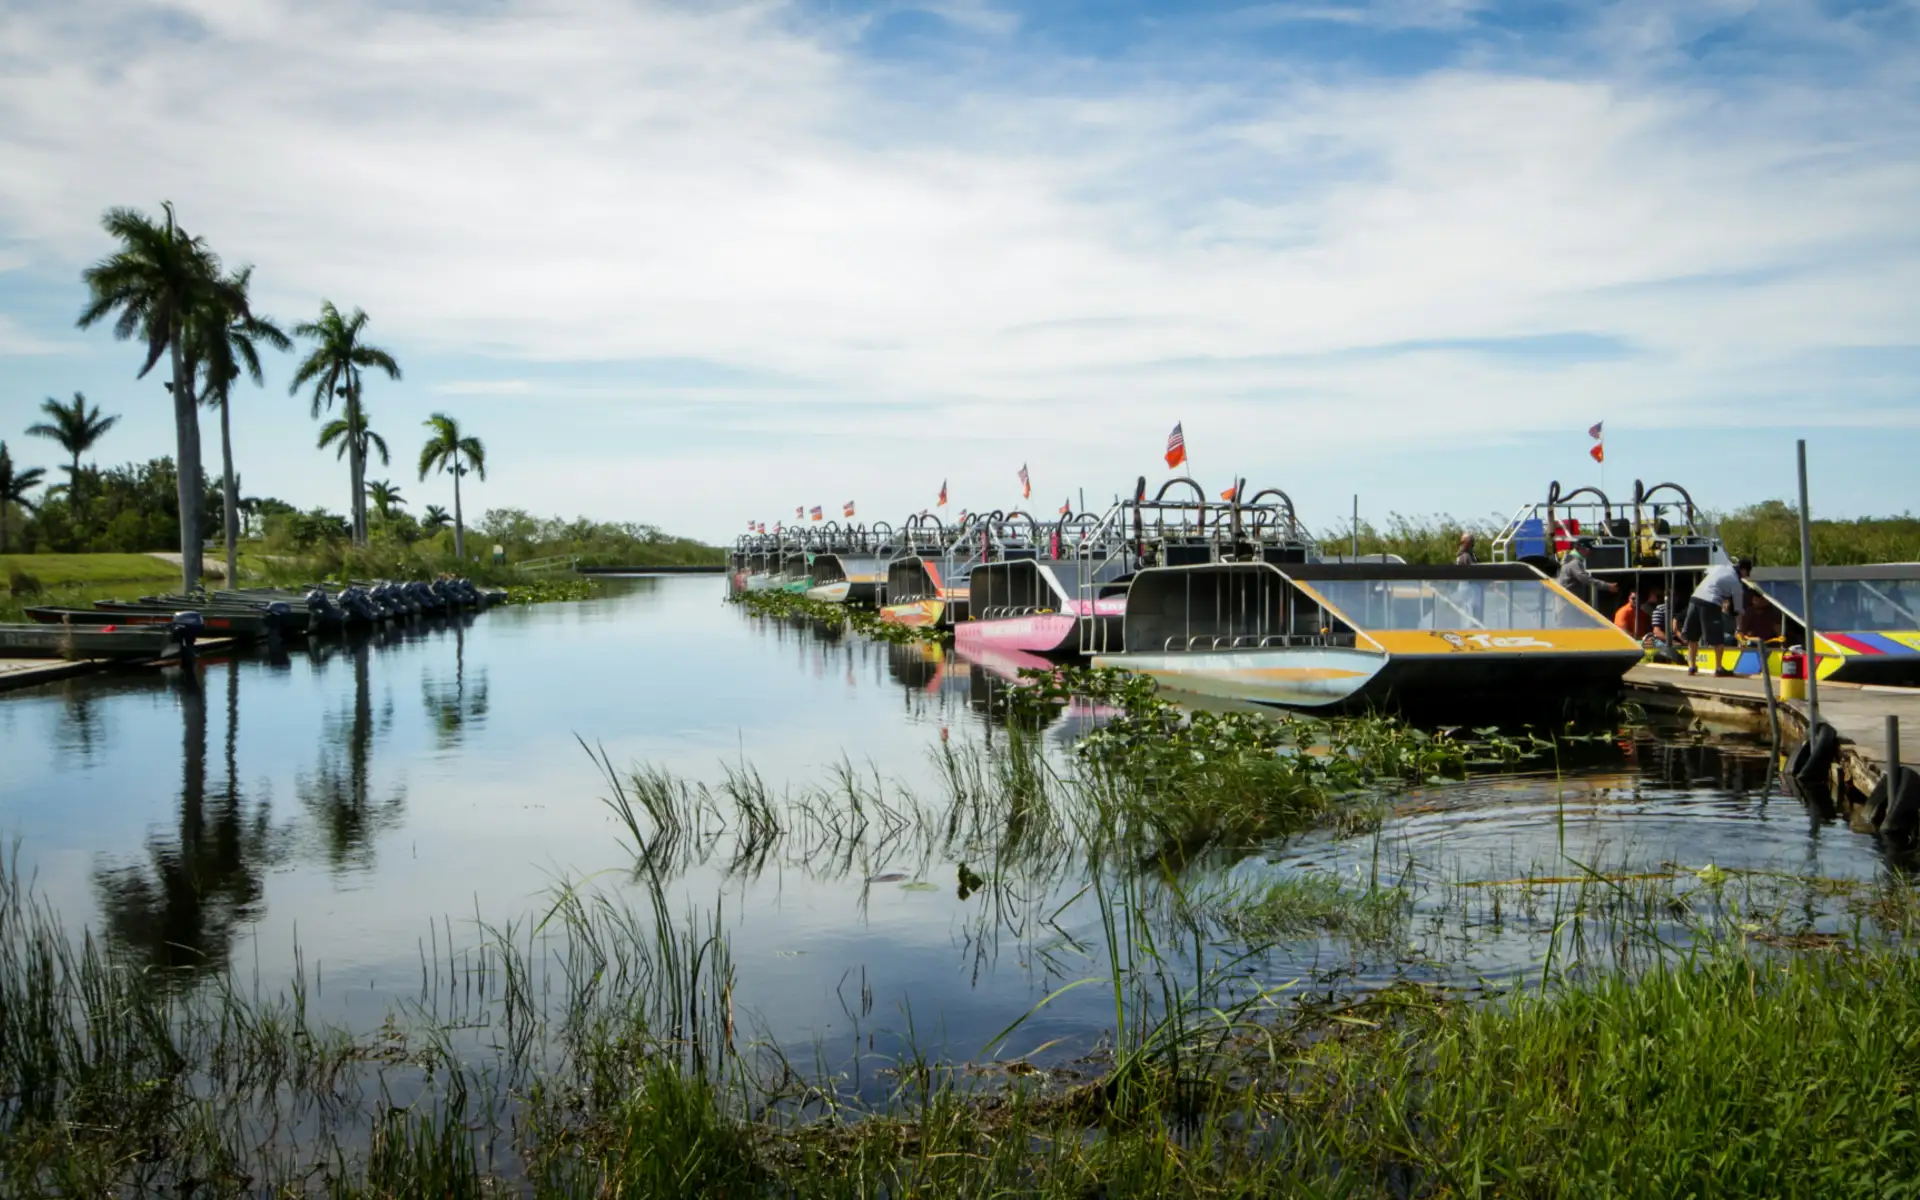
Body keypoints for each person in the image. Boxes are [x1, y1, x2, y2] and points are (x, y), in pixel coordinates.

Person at [1683, 557, 1753, 677]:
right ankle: (1719, 668)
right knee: (1717, 638)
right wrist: (1739, 629)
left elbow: (1707, 572)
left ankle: (1692, 667)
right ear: (1744, 571)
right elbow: (1738, 610)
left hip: (1694, 599)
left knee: (1692, 636)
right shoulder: (1736, 583)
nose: (1745, 577)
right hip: (1711, 602)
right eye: (1747, 574)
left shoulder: (1719, 567)